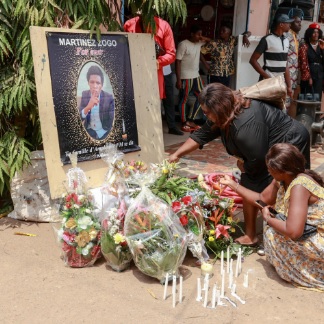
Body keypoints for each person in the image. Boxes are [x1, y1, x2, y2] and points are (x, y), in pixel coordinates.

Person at [168, 83, 310, 246]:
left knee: (281, 184)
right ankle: (254, 233)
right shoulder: (225, 112)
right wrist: (176, 154)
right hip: (261, 148)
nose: (206, 116)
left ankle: (288, 227)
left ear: (219, 109)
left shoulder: (244, 127)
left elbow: (257, 162)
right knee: (252, 181)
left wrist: (244, 168)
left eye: (207, 112)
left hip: (291, 140)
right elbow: (202, 134)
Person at [220, 143, 324, 291]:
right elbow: (261, 198)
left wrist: (268, 219)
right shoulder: (282, 179)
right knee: (273, 228)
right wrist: (232, 184)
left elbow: (294, 231)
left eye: (271, 168)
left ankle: (310, 273)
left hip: (320, 238)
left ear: (284, 171)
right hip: (309, 232)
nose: (268, 171)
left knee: (273, 231)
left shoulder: (300, 186)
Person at [124, 15, 183, 135]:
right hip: (134, 72)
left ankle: (166, 128)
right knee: (134, 106)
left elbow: (171, 53)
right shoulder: (129, 24)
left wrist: (157, 62)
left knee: (159, 103)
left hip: (157, 73)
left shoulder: (163, 25)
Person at [175, 25, 211, 132]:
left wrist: (202, 37)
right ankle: (184, 122)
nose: (200, 37)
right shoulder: (183, 44)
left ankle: (191, 119)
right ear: (191, 34)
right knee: (184, 99)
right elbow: (178, 61)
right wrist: (178, 79)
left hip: (196, 75)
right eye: (198, 34)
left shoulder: (199, 43)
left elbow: (211, 42)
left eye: (201, 34)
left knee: (202, 97)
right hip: (185, 76)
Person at [249, 14, 293, 99]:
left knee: (278, 108)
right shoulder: (267, 39)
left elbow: (285, 64)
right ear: (281, 24)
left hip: (280, 82)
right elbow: (253, 60)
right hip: (267, 81)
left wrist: (289, 85)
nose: (290, 25)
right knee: (265, 106)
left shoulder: (286, 41)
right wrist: (267, 76)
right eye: (288, 23)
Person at [200, 22, 251, 87]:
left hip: (227, 74)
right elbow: (200, 52)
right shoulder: (213, 43)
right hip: (215, 74)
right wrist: (206, 65)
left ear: (229, 32)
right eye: (220, 30)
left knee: (224, 93)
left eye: (224, 30)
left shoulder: (232, 41)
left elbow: (249, 32)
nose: (221, 32)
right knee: (214, 93)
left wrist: (245, 36)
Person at [79, 65, 114, 140]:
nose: (95, 86)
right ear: (88, 83)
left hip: (103, 132)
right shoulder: (84, 94)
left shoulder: (109, 97)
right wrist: (88, 107)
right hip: (89, 131)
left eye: (98, 83)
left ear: (101, 85)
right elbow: (79, 117)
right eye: (92, 82)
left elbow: (112, 121)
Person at [299, 23, 324, 100]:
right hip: (309, 75)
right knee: (307, 97)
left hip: (319, 75)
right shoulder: (304, 46)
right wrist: (308, 77)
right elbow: (303, 63)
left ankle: (316, 111)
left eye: (317, 32)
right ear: (309, 33)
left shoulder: (321, 45)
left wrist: (323, 49)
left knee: (317, 97)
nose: (316, 34)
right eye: (314, 32)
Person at [284, 14, 302, 117]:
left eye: (300, 23)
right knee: (284, 98)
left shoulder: (297, 37)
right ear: (290, 23)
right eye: (297, 22)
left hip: (294, 74)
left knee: (289, 98)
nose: (300, 24)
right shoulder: (286, 36)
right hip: (286, 72)